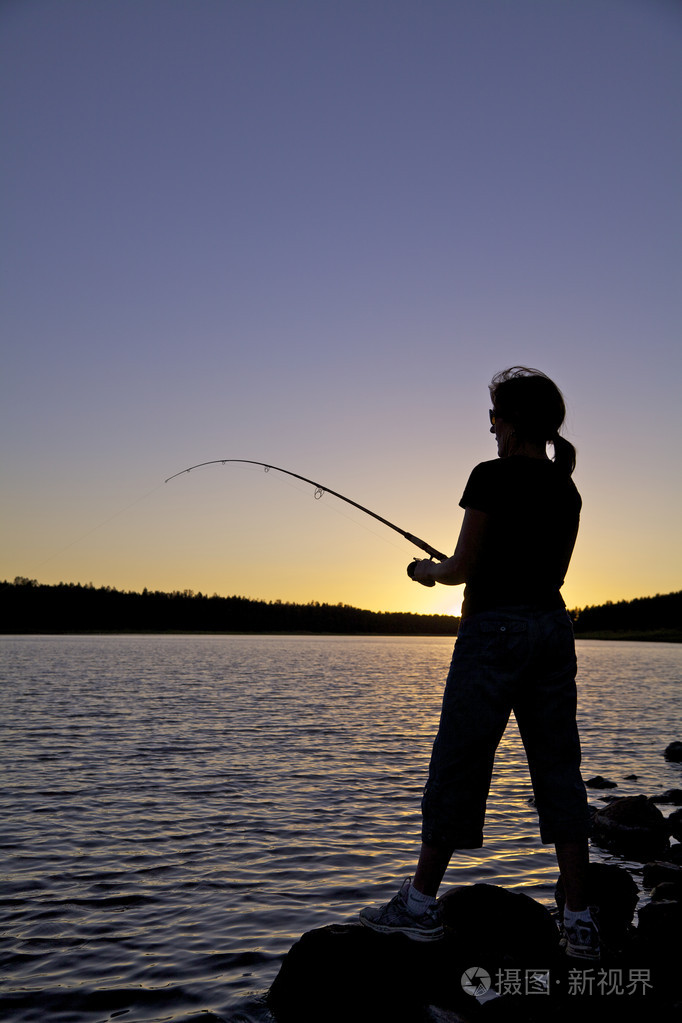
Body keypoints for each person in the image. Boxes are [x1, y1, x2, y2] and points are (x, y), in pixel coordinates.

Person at [359, 366, 599, 960]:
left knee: (460, 761)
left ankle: (417, 905)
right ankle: (582, 919)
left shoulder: (490, 475)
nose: (489, 426)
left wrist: (425, 572)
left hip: (493, 631)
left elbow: (461, 567)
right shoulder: (565, 488)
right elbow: (534, 566)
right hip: (551, 628)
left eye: (494, 416)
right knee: (558, 771)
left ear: (513, 422)